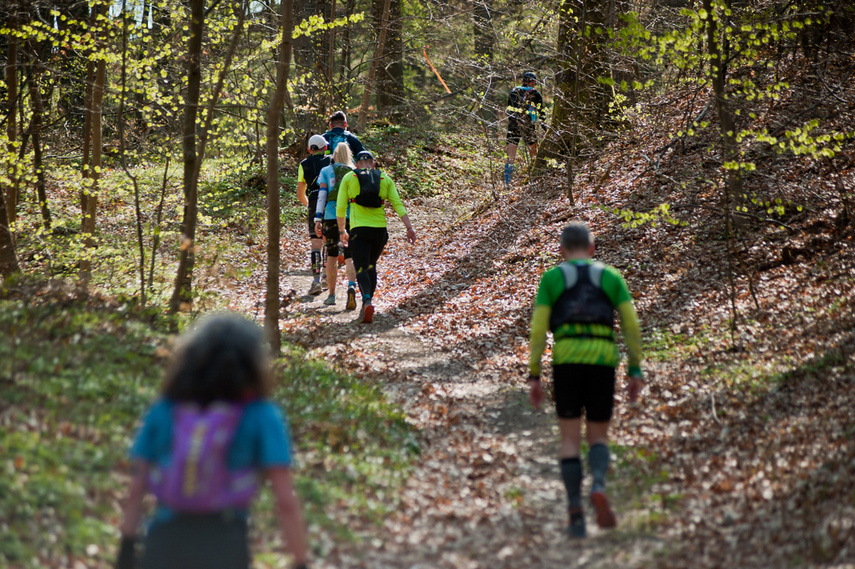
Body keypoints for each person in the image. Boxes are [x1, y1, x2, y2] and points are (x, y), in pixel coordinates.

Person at [115, 313, 309, 569]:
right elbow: (285, 500)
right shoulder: (262, 414)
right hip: (225, 545)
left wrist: (127, 549)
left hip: (164, 541)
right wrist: (300, 561)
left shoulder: (165, 409)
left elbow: (136, 488)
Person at [527, 222, 643, 538]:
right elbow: (631, 324)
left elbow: (538, 331)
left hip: (566, 360)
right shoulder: (610, 277)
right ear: (592, 249)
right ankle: (600, 485)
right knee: (598, 435)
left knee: (569, 439)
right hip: (603, 360)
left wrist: (534, 374)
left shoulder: (551, 278)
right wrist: (635, 369)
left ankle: (576, 514)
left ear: (561, 251)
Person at [337, 150, 415, 324]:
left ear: (357, 164)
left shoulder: (350, 178)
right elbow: (397, 203)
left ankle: (366, 301)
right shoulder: (384, 179)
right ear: (373, 163)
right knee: (371, 266)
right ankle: (368, 302)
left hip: (359, 231)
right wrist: (409, 227)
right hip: (380, 232)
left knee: (361, 267)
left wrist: (342, 231)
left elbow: (341, 207)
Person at [314, 142, 358, 309]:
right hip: (352, 217)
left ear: (334, 154)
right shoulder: (354, 172)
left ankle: (331, 295)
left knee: (331, 255)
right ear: (349, 155)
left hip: (332, 216)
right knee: (350, 255)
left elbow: (322, 196)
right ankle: (351, 287)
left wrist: (318, 218)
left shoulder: (326, 171)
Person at [297, 135, 333, 295]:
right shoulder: (332, 161)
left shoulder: (303, 165)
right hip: (331, 203)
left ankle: (316, 280)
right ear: (325, 148)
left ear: (309, 149)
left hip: (313, 202)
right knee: (328, 241)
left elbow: (300, 193)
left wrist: (310, 206)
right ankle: (326, 276)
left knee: (315, 243)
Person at [505, 71, 544, 186]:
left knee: (510, 157)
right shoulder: (536, 93)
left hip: (513, 125)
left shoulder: (513, 92)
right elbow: (542, 113)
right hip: (528, 126)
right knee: (534, 154)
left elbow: (509, 110)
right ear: (533, 82)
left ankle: (508, 183)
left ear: (522, 81)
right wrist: (544, 128)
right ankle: (534, 179)